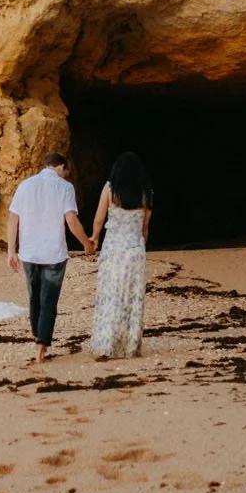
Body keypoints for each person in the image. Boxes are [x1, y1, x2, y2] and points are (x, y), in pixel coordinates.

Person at [6, 152, 90, 362]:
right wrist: (86, 243)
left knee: (34, 298)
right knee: (48, 301)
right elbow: (71, 220)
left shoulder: (25, 185)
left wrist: (11, 251)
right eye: (65, 171)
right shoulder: (65, 187)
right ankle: (41, 346)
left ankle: (38, 337)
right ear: (61, 167)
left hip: (29, 252)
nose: (65, 175)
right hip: (53, 254)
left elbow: (13, 219)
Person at [86, 152, 152, 359]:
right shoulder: (146, 192)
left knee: (110, 294)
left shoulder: (110, 188)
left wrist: (94, 238)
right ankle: (129, 346)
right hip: (135, 250)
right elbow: (145, 228)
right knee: (132, 297)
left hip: (113, 249)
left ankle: (106, 343)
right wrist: (141, 244)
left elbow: (99, 218)